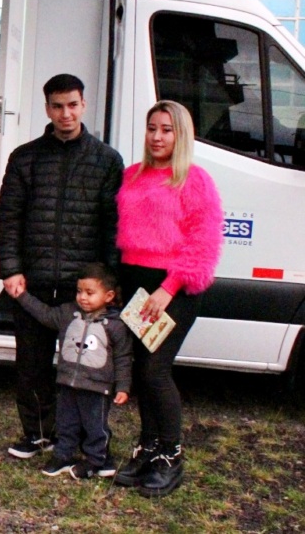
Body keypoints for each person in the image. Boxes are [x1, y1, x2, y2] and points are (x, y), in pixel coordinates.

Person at [0, 73, 124, 460]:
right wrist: (10, 268)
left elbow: (112, 226)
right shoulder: (26, 157)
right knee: (31, 365)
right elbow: (9, 217)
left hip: (81, 291)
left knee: (84, 371)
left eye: (72, 104)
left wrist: (106, 286)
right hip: (31, 284)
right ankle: (36, 434)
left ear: (83, 105)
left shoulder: (106, 160)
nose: (65, 113)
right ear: (47, 108)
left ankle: (84, 441)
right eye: (57, 106)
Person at [113, 100, 222, 498]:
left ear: (181, 135)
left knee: (156, 371)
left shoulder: (194, 180)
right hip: (134, 282)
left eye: (167, 129)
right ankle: (148, 448)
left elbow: (203, 244)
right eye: (152, 128)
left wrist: (167, 289)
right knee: (143, 369)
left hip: (172, 287)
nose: (158, 137)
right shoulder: (131, 176)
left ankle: (170, 457)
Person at [9, 262, 132, 480]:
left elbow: (123, 358)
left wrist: (123, 386)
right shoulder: (68, 313)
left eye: (90, 293)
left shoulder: (115, 325)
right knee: (66, 423)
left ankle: (97, 461)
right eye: (79, 291)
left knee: (95, 427)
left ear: (109, 295)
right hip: (67, 383)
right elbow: (44, 314)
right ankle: (62, 455)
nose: (83, 297)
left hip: (97, 389)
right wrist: (22, 296)